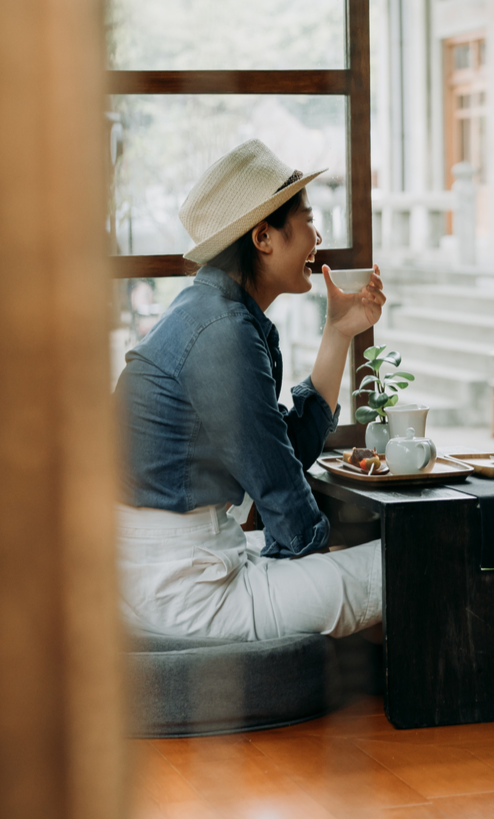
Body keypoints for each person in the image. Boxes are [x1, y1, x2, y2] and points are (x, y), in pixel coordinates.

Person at [115, 139, 385, 641]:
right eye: (307, 219)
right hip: (183, 591)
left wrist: (339, 332)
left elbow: (281, 452)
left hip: (172, 570)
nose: (317, 234)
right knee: (405, 562)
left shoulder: (213, 315)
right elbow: (282, 490)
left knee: (363, 554)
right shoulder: (222, 332)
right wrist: (313, 559)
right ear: (264, 238)